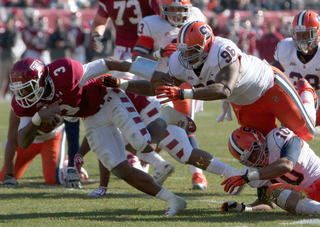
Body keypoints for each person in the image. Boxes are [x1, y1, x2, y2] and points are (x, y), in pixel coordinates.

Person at [8, 57, 194, 216]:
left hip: (109, 99)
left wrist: (151, 73)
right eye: (18, 89)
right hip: (90, 118)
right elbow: (23, 142)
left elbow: (108, 63)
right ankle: (172, 200)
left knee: (143, 144)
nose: (22, 94)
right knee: (119, 168)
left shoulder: (65, 72)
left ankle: (166, 116)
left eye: (26, 88)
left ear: (41, 80)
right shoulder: (24, 103)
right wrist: (38, 117)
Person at [103, 20, 315, 142]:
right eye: (184, 51)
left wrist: (183, 93)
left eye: (192, 51)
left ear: (206, 47)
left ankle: (306, 93)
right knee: (254, 146)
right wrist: (122, 85)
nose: (187, 57)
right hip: (244, 101)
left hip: (269, 86)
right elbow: (156, 87)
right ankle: (268, 196)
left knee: (306, 133)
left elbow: (223, 89)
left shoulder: (223, 50)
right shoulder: (178, 60)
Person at [74, 87, 241, 196]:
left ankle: (233, 174)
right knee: (114, 142)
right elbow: (103, 142)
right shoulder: (89, 100)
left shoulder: (93, 98)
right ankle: (160, 164)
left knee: (186, 154)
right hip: (138, 113)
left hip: (150, 109)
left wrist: (81, 153)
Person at [131, 0, 208, 190]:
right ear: (162, 9)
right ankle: (149, 164)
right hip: (158, 83)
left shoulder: (197, 16)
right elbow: (136, 59)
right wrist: (159, 54)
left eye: (180, 10)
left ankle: (198, 174)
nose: (176, 14)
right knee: (154, 127)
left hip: (184, 81)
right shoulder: (152, 24)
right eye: (171, 9)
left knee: (187, 127)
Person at [90, 0, 168, 177]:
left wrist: (96, 34)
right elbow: (164, 19)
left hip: (131, 54)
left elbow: (99, 23)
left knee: (134, 104)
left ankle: (141, 154)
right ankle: (136, 154)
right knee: (128, 104)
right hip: (145, 54)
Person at [220, 126, 320, 215]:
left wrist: (248, 177)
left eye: (255, 150)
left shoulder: (278, 139)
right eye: (249, 158)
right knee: (274, 191)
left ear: (260, 140)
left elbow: (287, 165)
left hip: (318, 182)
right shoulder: (253, 172)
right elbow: (267, 203)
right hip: (307, 198)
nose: (255, 158)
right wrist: (244, 208)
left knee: (274, 190)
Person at [272, 10, 320, 129]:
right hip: (294, 104)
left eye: (306, 34)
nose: (302, 39)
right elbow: (271, 74)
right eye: (299, 34)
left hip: (318, 102)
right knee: (285, 137)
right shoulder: (286, 49)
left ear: (317, 33)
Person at [0, 108, 66, 186]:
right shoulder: (19, 101)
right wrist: (9, 176)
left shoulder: (55, 99)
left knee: (53, 180)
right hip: (26, 141)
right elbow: (12, 139)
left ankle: (66, 165)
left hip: (51, 139)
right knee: (3, 177)